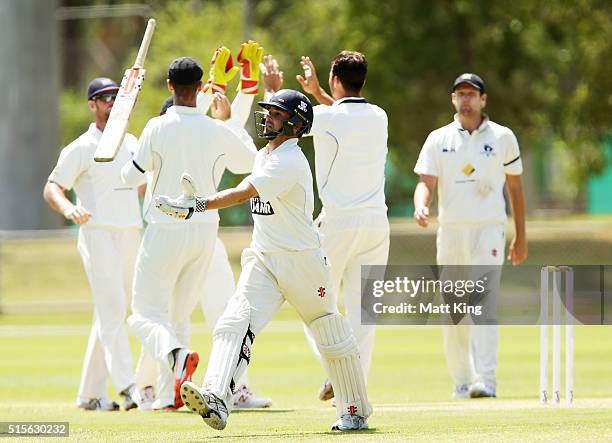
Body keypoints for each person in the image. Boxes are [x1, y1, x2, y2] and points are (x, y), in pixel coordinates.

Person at [155, 89, 371, 431]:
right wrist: (227, 118)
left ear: (296, 124)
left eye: (276, 113)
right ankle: (216, 397)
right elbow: (241, 165)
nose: (268, 117)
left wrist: (196, 205)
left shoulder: (290, 161)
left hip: (302, 261)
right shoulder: (265, 155)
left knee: (328, 331)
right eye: (268, 111)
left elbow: (243, 193)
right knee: (233, 321)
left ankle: (355, 409)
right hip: (264, 258)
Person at [134, 47, 271, 409]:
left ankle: (175, 366)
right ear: (199, 87)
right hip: (204, 230)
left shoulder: (157, 127)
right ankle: (166, 393)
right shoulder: (212, 128)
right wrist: (233, 112)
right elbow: (247, 160)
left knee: (144, 315)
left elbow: (128, 174)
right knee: (177, 316)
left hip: (165, 226)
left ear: (169, 86)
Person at [262, 51, 390, 403]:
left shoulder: (327, 117)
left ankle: (335, 369)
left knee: (312, 303)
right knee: (364, 309)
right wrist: (321, 93)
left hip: (338, 222)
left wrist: (275, 89)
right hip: (377, 222)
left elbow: (292, 118)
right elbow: (339, 115)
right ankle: (353, 389)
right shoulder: (379, 116)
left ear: (335, 79)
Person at [413, 73, 528, 399]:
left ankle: (486, 380)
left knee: (483, 303)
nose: (466, 99)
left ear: (483, 100)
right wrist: (422, 205)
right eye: (460, 94)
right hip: (451, 231)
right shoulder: (439, 138)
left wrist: (521, 235)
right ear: (453, 100)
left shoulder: (503, 137)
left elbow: (516, 188)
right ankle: (463, 381)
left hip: (489, 228)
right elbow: (426, 182)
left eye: (471, 94)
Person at [43, 77, 143, 411]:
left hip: (131, 232)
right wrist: (70, 208)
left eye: (116, 96)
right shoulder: (81, 147)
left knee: (112, 313)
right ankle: (129, 387)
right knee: (113, 308)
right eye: (104, 98)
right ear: (92, 104)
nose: (111, 102)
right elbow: (52, 187)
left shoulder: (132, 141)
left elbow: (144, 185)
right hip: (97, 233)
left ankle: (89, 395)